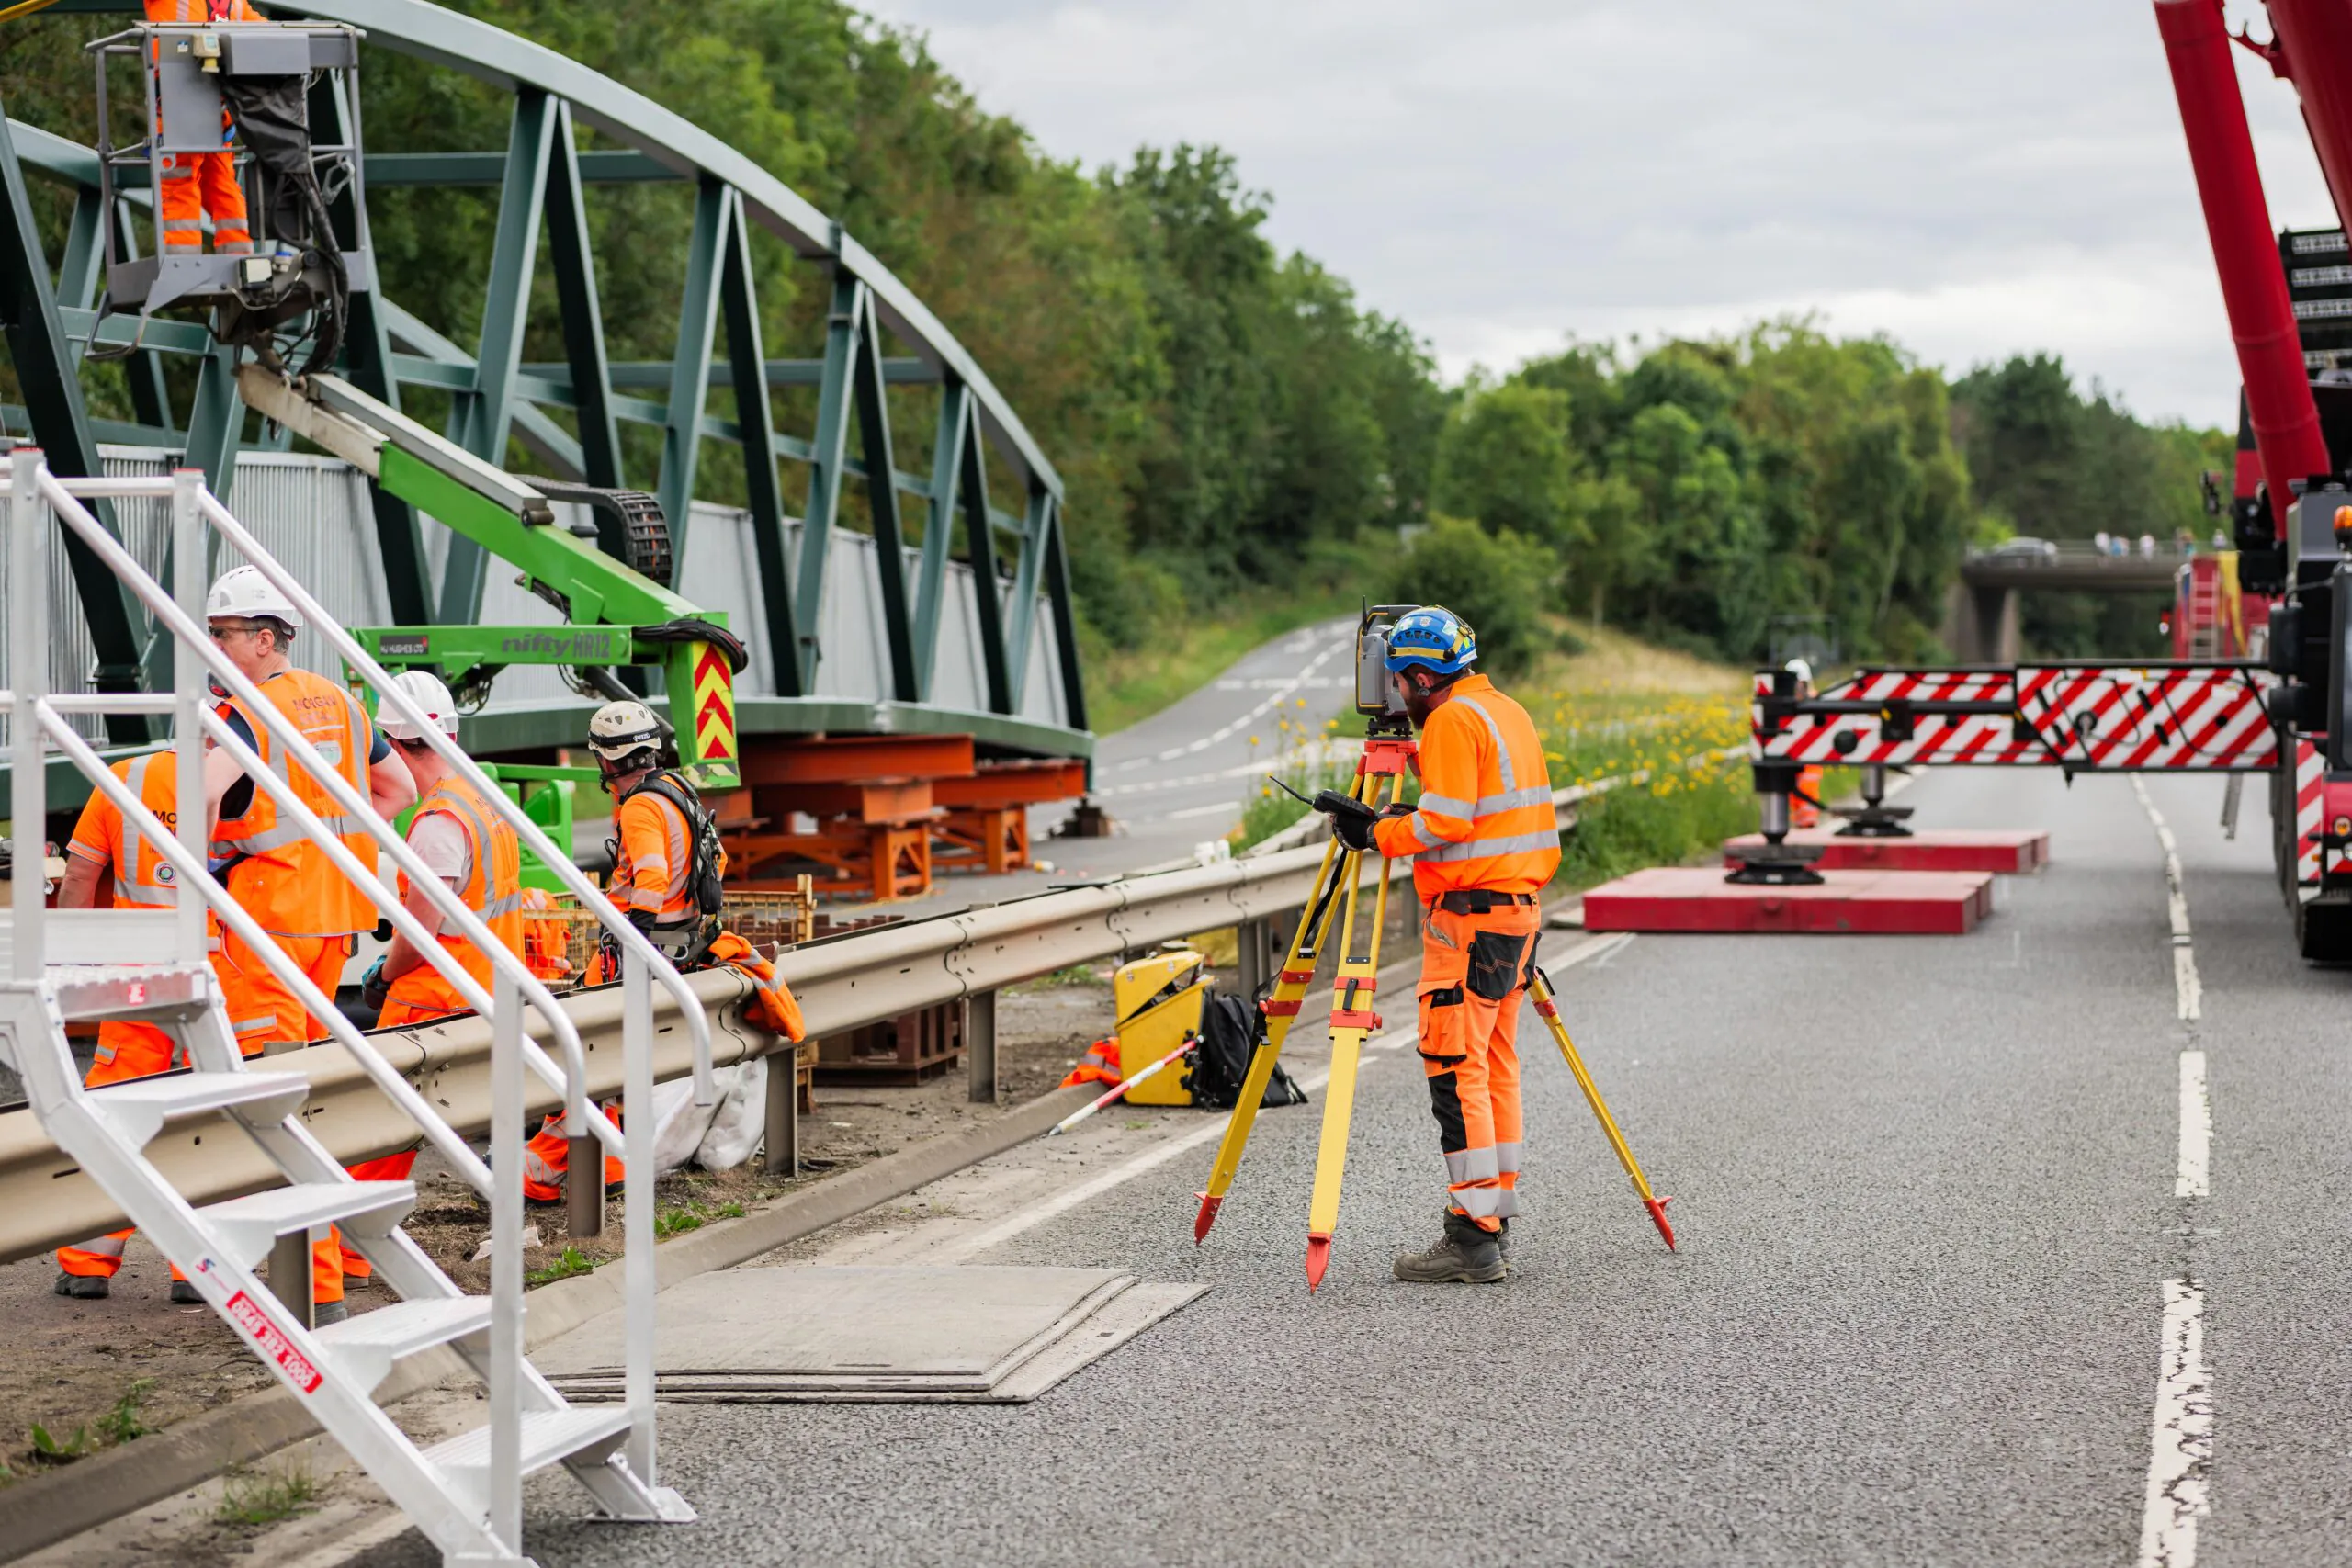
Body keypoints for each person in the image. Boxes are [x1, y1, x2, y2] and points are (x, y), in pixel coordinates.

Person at [1321, 606, 1558, 1285]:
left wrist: (1375, 834)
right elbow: (1477, 800)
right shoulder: (1500, 709)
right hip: (1515, 914)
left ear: (1424, 675)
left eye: (1401, 682)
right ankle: (1493, 1215)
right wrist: (1404, 813)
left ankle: (1472, 1235)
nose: (1397, 695)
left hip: (1470, 920)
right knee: (1495, 1066)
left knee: (1457, 1069)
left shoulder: (1452, 719)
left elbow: (1449, 821)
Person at [202, 565, 414, 1322]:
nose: (213, 646)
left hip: (266, 925)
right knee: (305, 1096)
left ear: (264, 639)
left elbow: (198, 798)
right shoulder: (343, 704)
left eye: (223, 634)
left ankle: (316, 1281)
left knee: (271, 1106)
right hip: (333, 923)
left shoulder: (245, 708)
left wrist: (200, 867)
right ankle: (330, 1260)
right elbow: (398, 793)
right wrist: (337, 848)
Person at [49, 748, 309, 1303]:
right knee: (208, 1120)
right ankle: (197, 1267)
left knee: (115, 1113)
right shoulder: (253, 780)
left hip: (136, 976)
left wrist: (75, 962)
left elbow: (79, 875)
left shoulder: (127, 777)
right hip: (218, 974)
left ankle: (88, 1261)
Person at [520, 700, 804, 1201]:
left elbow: (650, 876)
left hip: (646, 951)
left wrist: (636, 932)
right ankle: (608, 1164)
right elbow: (713, 858)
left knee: (586, 1052)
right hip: (684, 944)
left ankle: (546, 1171)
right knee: (612, 1061)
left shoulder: (639, 807)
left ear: (607, 760)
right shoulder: (677, 790)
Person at [338, 671, 523, 1283]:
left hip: (434, 999)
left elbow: (421, 932)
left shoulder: (438, 822)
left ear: (398, 742)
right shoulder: (481, 799)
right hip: (482, 988)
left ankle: (349, 1256)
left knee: (380, 1133)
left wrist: (383, 977)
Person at [143, 0, 262, 257]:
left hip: (182, 112)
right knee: (222, 187)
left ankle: (183, 263)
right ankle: (239, 258)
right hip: (217, 115)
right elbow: (269, 37)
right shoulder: (236, 6)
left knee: (181, 186)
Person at [1784, 658, 1822, 829]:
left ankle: (1809, 821)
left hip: (1810, 756)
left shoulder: (1815, 699)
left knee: (1807, 788)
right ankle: (1801, 822)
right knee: (1793, 793)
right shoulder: (1784, 702)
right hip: (1792, 754)